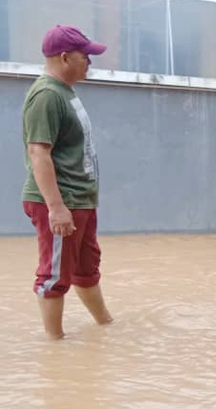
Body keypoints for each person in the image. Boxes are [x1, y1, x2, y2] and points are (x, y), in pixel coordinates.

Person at [22, 25, 113, 339]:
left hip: (80, 199)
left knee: (87, 269)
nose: (89, 61)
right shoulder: (47, 95)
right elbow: (38, 152)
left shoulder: (65, 91)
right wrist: (56, 208)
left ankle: (106, 326)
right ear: (64, 57)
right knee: (55, 275)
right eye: (85, 56)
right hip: (62, 202)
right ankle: (55, 347)